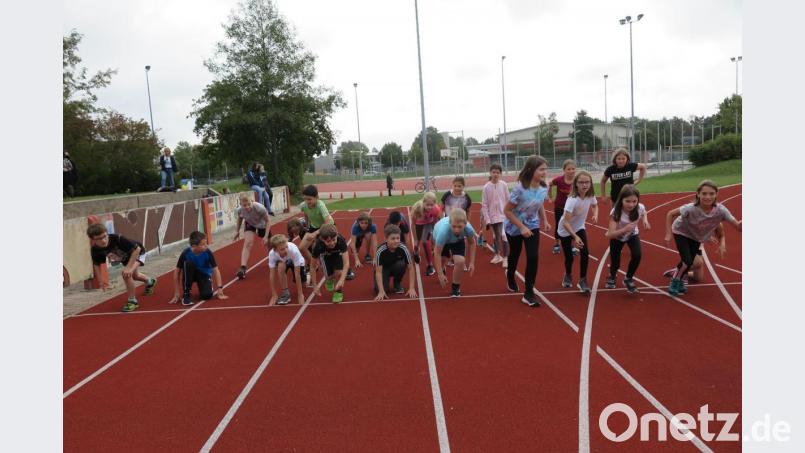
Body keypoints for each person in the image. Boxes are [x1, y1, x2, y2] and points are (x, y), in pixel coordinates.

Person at [664, 180, 741, 296]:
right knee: (687, 261)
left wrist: (740, 225)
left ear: (716, 194)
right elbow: (670, 214)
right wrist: (668, 234)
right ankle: (675, 281)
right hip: (681, 232)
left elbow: (738, 226)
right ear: (698, 194)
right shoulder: (690, 208)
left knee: (689, 262)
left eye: (711, 194)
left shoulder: (721, 210)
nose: (708, 197)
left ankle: (679, 278)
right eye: (704, 194)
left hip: (696, 237)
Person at [504, 155, 552, 307]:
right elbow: (507, 211)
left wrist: (545, 220)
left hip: (532, 225)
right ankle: (510, 275)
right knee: (515, 254)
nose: (545, 172)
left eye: (545, 169)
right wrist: (521, 227)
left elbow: (539, 203)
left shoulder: (544, 187)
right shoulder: (520, 189)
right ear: (531, 170)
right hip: (514, 226)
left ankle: (529, 292)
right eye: (541, 169)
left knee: (533, 257)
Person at [87, 223, 157, 312]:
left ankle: (132, 301)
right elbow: (97, 264)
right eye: (99, 239)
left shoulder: (118, 238)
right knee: (135, 276)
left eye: (104, 236)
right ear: (93, 240)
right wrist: (101, 281)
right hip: (126, 258)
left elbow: (137, 249)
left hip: (138, 253)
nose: (103, 241)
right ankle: (150, 281)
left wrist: (129, 267)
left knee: (126, 274)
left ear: (107, 233)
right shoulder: (96, 249)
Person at [556, 170, 599, 294]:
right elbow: (566, 223)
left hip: (579, 227)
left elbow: (595, 205)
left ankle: (582, 280)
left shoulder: (590, 195)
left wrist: (595, 215)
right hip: (565, 230)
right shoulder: (572, 200)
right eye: (581, 182)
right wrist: (575, 237)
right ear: (576, 184)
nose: (584, 185)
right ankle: (568, 274)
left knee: (585, 253)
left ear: (590, 183)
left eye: (587, 182)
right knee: (569, 256)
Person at [605, 185, 650, 293]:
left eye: (634, 201)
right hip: (617, 237)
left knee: (637, 255)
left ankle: (628, 278)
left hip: (632, 235)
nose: (631, 204)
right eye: (628, 201)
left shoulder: (639, 207)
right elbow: (610, 234)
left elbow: (644, 212)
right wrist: (624, 229)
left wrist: (645, 220)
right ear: (621, 200)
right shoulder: (616, 212)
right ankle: (612, 275)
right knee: (615, 261)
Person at [168, 231, 228, 306]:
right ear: (194, 246)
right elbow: (177, 272)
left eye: (206, 243)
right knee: (188, 264)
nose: (206, 246)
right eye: (203, 244)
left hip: (203, 274)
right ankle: (186, 295)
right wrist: (177, 292)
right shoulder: (186, 253)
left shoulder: (207, 252)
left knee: (207, 296)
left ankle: (206, 287)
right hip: (189, 274)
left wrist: (220, 288)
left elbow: (216, 270)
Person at [298, 185, 338, 282]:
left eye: (309, 199)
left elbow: (327, 222)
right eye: (305, 199)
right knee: (302, 247)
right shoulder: (303, 205)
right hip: (314, 227)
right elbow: (306, 214)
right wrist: (307, 226)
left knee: (330, 248)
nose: (307, 202)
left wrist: (315, 234)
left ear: (317, 197)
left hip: (328, 226)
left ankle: (341, 268)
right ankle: (314, 265)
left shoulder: (321, 206)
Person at [432, 208, 477, 297]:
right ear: (450, 224)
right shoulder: (442, 232)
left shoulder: (469, 229)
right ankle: (443, 268)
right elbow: (437, 253)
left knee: (460, 261)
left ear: (465, 224)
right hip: (443, 240)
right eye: (454, 226)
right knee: (443, 259)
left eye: (460, 227)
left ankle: (455, 288)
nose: (456, 230)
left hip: (457, 240)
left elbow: (472, 243)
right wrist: (440, 274)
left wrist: (472, 263)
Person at [373, 224, 418, 301]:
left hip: (396, 267)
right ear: (386, 239)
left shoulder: (403, 248)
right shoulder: (380, 251)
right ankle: (382, 283)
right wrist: (381, 291)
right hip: (383, 269)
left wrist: (412, 288)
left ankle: (397, 283)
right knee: (381, 291)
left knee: (401, 264)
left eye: (398, 238)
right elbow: (378, 272)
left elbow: (411, 268)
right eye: (393, 238)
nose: (396, 241)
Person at [233, 194, 271, 279]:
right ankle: (243, 268)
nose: (247, 207)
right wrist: (237, 231)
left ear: (252, 201)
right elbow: (240, 218)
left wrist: (266, 236)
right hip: (250, 223)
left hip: (262, 224)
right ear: (241, 205)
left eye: (249, 204)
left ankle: (272, 257)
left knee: (269, 243)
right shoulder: (239, 210)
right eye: (244, 205)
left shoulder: (259, 208)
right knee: (248, 243)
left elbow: (268, 221)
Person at [310, 224, 350, 303]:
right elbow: (312, 266)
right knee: (329, 276)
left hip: (337, 254)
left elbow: (346, 263)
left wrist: (342, 280)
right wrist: (314, 285)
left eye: (334, 240)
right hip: (325, 255)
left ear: (337, 235)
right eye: (328, 241)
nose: (332, 243)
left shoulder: (341, 241)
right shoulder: (318, 246)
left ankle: (338, 292)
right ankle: (329, 279)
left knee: (339, 273)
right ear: (322, 239)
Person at [481, 163, 510, 267]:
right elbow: (484, 204)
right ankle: (497, 255)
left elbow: (508, 199)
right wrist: (487, 219)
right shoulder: (486, 187)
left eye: (498, 172)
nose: (495, 174)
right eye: (493, 172)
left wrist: (509, 213)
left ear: (500, 173)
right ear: (490, 173)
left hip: (503, 216)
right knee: (495, 236)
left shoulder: (504, 185)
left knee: (503, 235)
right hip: (492, 216)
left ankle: (505, 258)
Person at [268, 234, 307, 306]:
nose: (286, 250)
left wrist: (300, 294)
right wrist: (274, 294)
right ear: (275, 249)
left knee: (304, 284)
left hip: (297, 262)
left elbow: (297, 273)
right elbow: (272, 274)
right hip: (284, 262)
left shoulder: (293, 251)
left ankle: (308, 275)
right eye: (282, 249)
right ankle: (285, 293)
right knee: (280, 266)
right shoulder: (272, 254)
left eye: (286, 247)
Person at [411, 192, 443, 276]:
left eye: (431, 205)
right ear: (423, 202)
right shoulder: (417, 209)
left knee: (425, 242)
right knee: (417, 241)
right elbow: (413, 225)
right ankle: (416, 250)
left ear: (435, 203)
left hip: (429, 223)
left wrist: (435, 236)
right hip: (418, 223)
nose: (429, 207)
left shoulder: (436, 209)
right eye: (427, 205)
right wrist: (415, 239)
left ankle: (430, 265)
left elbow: (438, 223)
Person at [548, 160, 576, 255]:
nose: (571, 171)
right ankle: (557, 244)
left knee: (572, 226)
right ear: (564, 170)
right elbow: (550, 184)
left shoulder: (577, 181)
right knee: (558, 225)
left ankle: (572, 245)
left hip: (572, 209)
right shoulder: (559, 180)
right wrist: (550, 197)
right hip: (560, 207)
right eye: (569, 169)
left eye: (573, 169)